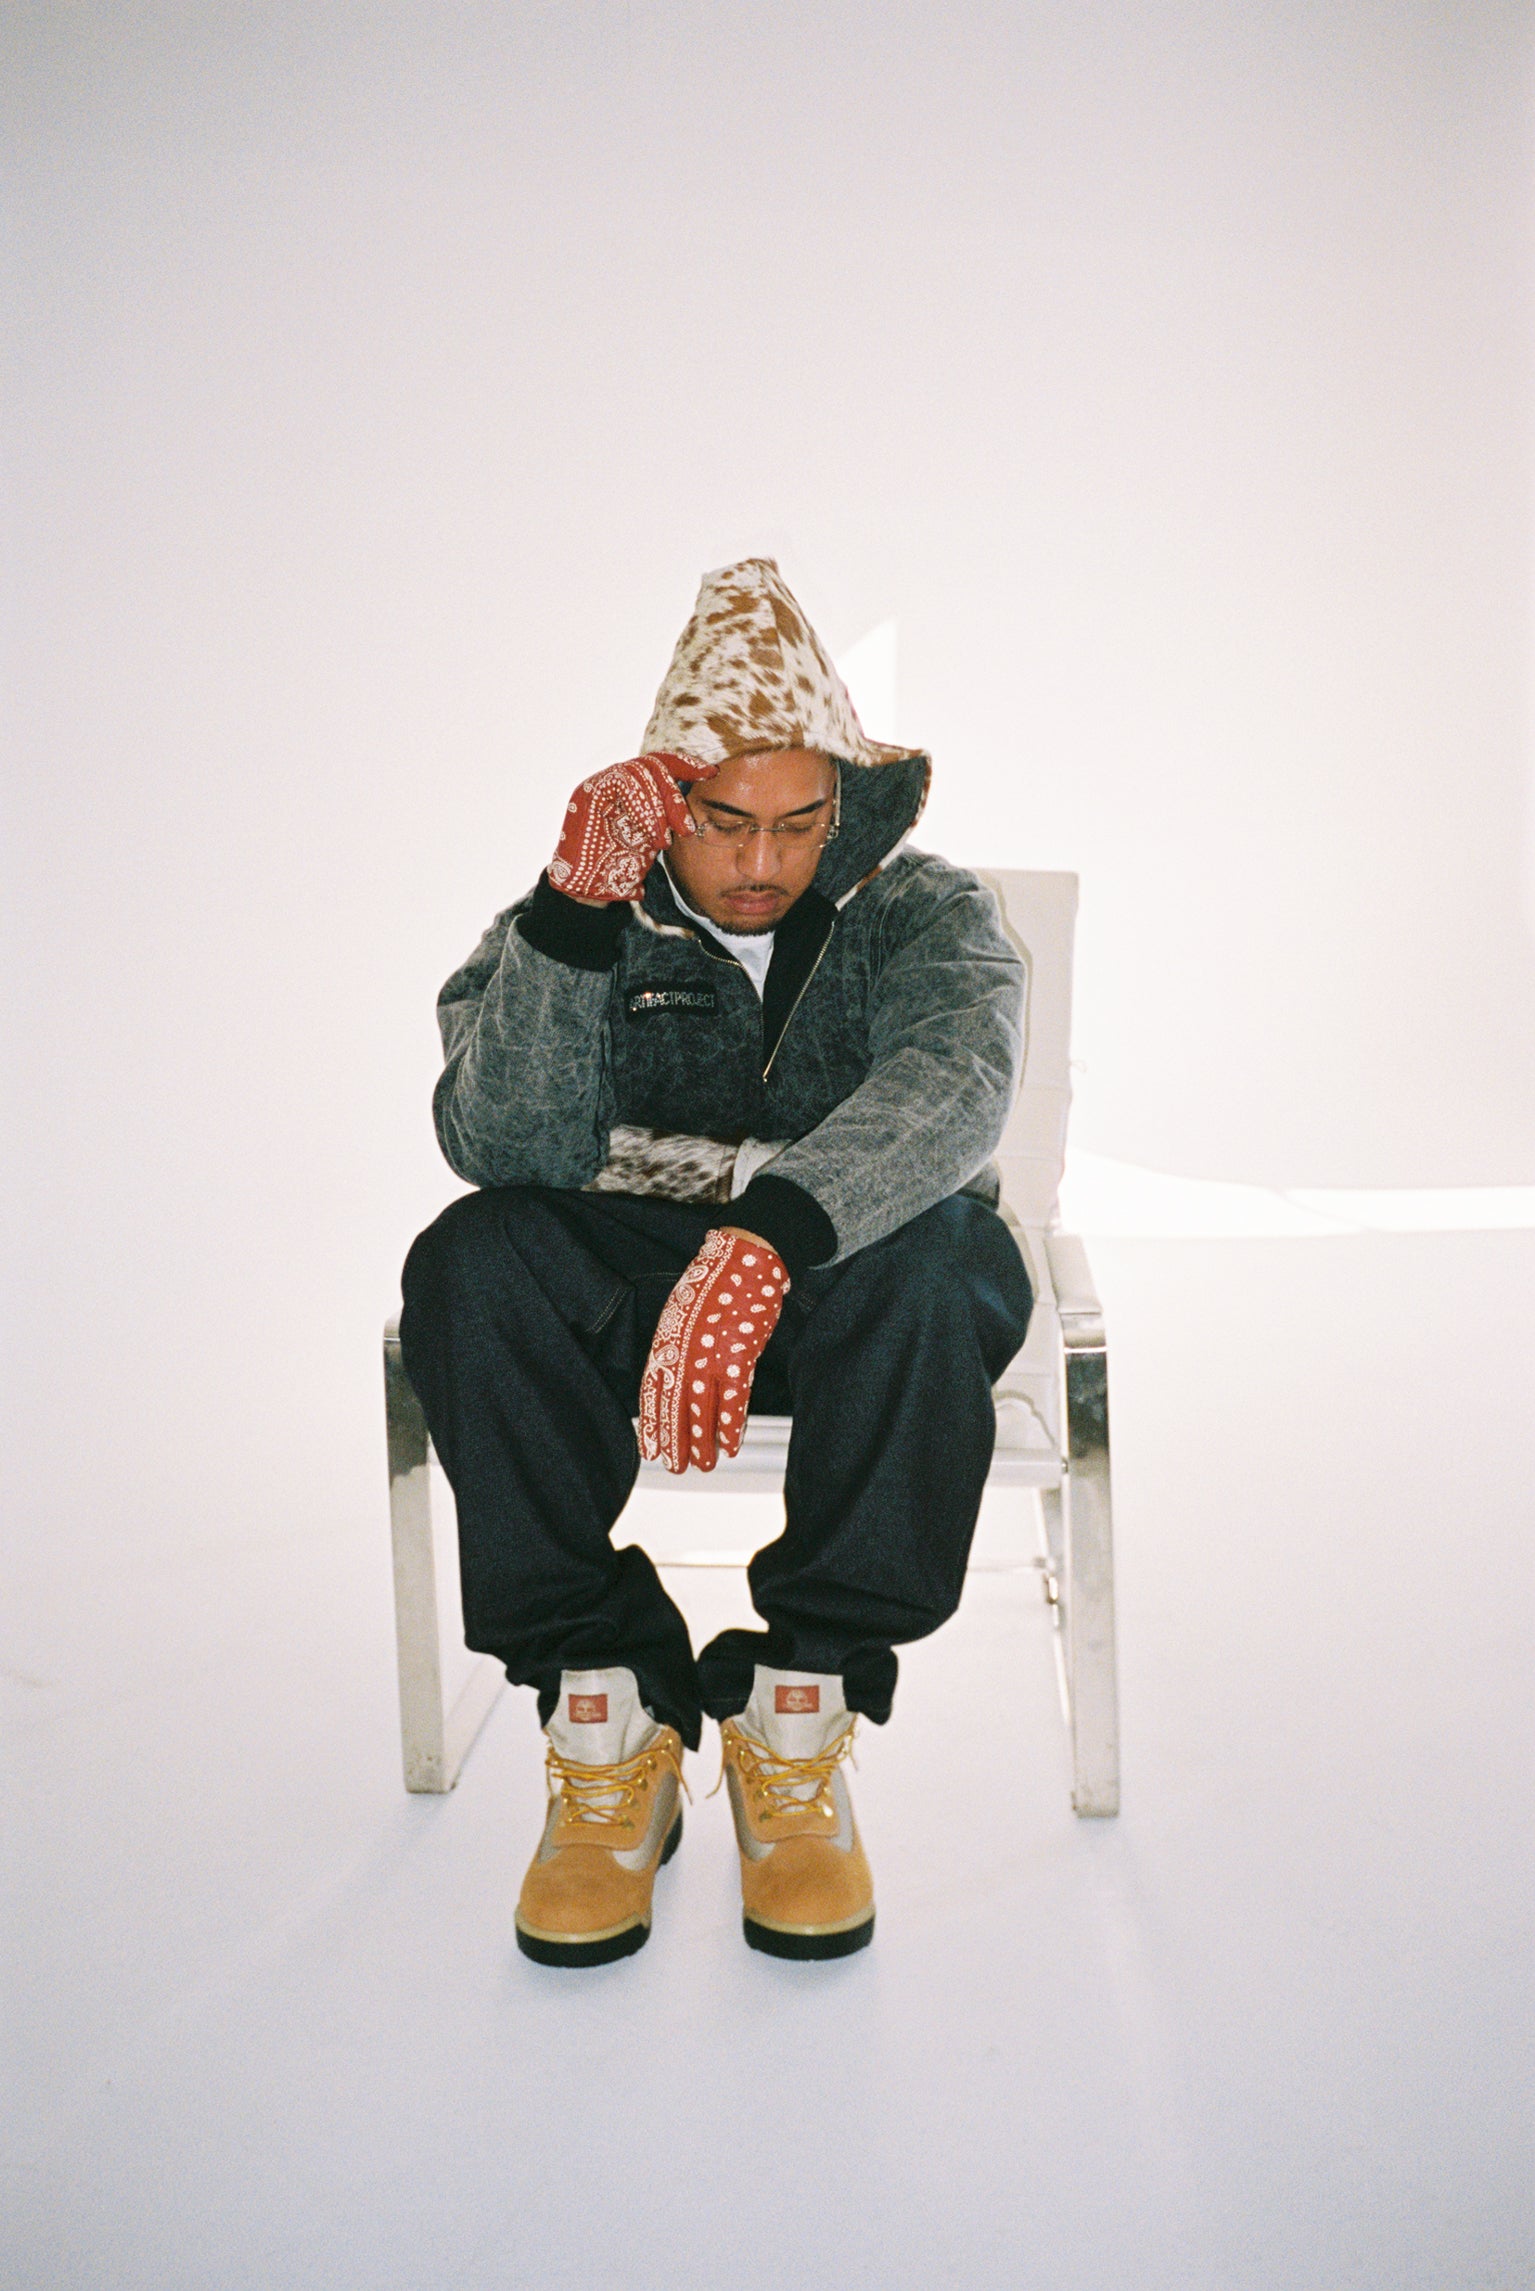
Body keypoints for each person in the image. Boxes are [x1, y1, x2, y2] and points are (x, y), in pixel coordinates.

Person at [400, 558, 1033, 1967]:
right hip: (632, 1285)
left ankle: (799, 1708)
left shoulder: (925, 911)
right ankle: (606, 1708)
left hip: (845, 1285)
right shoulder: (572, 916)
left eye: (800, 823)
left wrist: (774, 1237)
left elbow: (955, 1084)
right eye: (725, 822)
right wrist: (571, 922)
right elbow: (502, 1145)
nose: (762, 863)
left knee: (948, 1259)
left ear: (844, 807)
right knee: (472, 1259)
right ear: (663, 802)